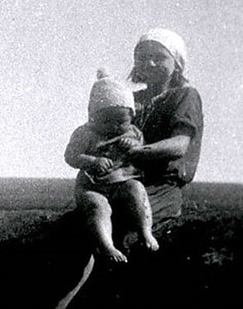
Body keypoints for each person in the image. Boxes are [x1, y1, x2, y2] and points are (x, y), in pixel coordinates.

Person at [56, 28, 204, 308]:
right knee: (78, 229)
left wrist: (137, 152)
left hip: (159, 186)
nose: (149, 63)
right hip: (119, 180)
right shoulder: (128, 99)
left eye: (159, 57)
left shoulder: (184, 96)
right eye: (142, 57)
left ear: (177, 63)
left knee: (118, 236)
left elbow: (179, 145)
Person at [64, 70, 159, 264]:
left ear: (131, 116)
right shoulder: (85, 133)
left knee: (137, 189)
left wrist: (134, 146)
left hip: (122, 183)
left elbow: (142, 151)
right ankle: (106, 245)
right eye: (106, 121)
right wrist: (92, 161)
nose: (115, 126)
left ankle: (145, 232)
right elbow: (70, 156)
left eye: (121, 121)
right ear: (93, 116)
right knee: (97, 207)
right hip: (92, 187)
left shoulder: (133, 133)